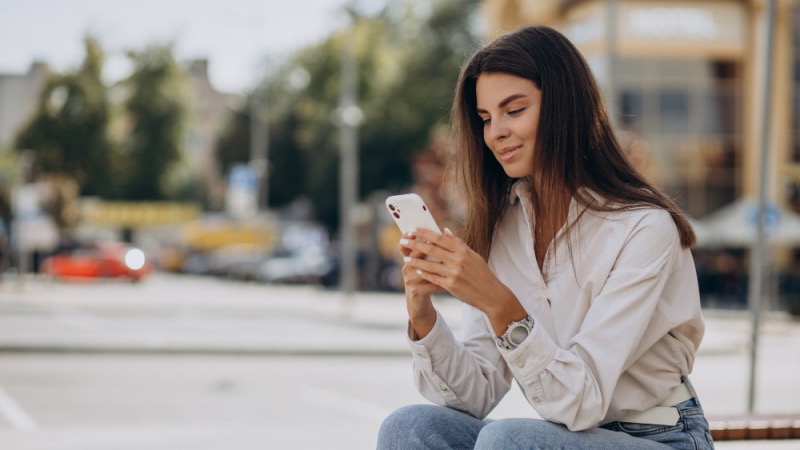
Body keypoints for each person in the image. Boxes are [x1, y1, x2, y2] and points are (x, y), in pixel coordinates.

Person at [377, 25, 714, 449]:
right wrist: (422, 313)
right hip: (561, 436)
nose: (495, 132)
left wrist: (501, 305)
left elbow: (582, 400)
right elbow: (474, 394)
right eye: (485, 119)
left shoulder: (643, 228)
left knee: (509, 441)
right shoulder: (504, 227)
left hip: (659, 436)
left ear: (563, 107)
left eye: (514, 110)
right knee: (409, 428)